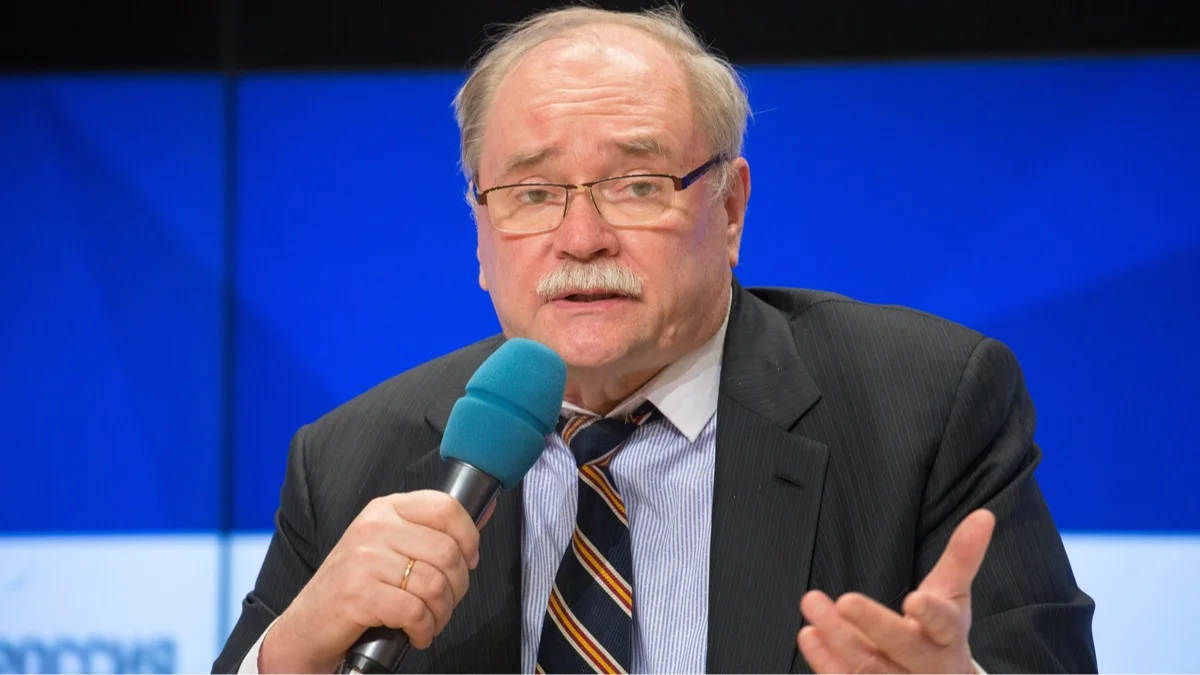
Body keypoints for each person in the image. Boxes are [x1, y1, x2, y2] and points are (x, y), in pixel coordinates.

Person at [213, 5, 1096, 674]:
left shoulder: (925, 407)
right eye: (532, 194)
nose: (581, 237)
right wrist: (288, 656)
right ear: (479, 234)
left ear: (731, 208)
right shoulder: (352, 460)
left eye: (637, 185)